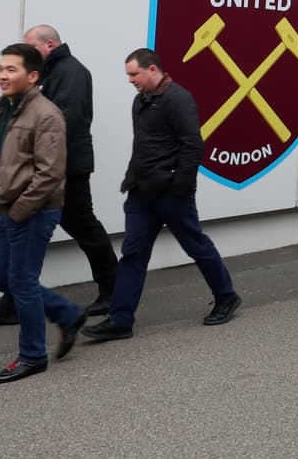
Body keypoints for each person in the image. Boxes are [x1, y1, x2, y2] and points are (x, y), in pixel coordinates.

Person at [83, 49, 242, 342]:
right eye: (128, 75)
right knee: (132, 254)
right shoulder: (141, 100)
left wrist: (179, 187)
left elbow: (193, 145)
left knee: (196, 245)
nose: (130, 80)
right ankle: (120, 320)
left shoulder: (178, 99)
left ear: (152, 70)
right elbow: (144, 145)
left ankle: (227, 296)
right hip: (141, 194)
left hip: (171, 193)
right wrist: (132, 180)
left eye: (134, 74)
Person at [0, 25, 119, 326]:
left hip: (67, 167)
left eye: (30, 46)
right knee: (25, 235)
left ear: (50, 44)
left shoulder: (71, 72)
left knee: (83, 225)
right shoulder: (50, 71)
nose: (25, 53)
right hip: (50, 166)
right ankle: (13, 300)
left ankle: (113, 290)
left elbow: (62, 120)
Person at [0, 43, 87, 383]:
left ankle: (32, 356)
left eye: (12, 69)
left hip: (32, 211)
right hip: (6, 208)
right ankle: (67, 313)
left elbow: (50, 174)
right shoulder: (8, 108)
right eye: (1, 68)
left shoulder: (46, 115)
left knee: (21, 282)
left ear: (33, 75)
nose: (2, 75)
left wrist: (19, 211)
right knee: (3, 279)